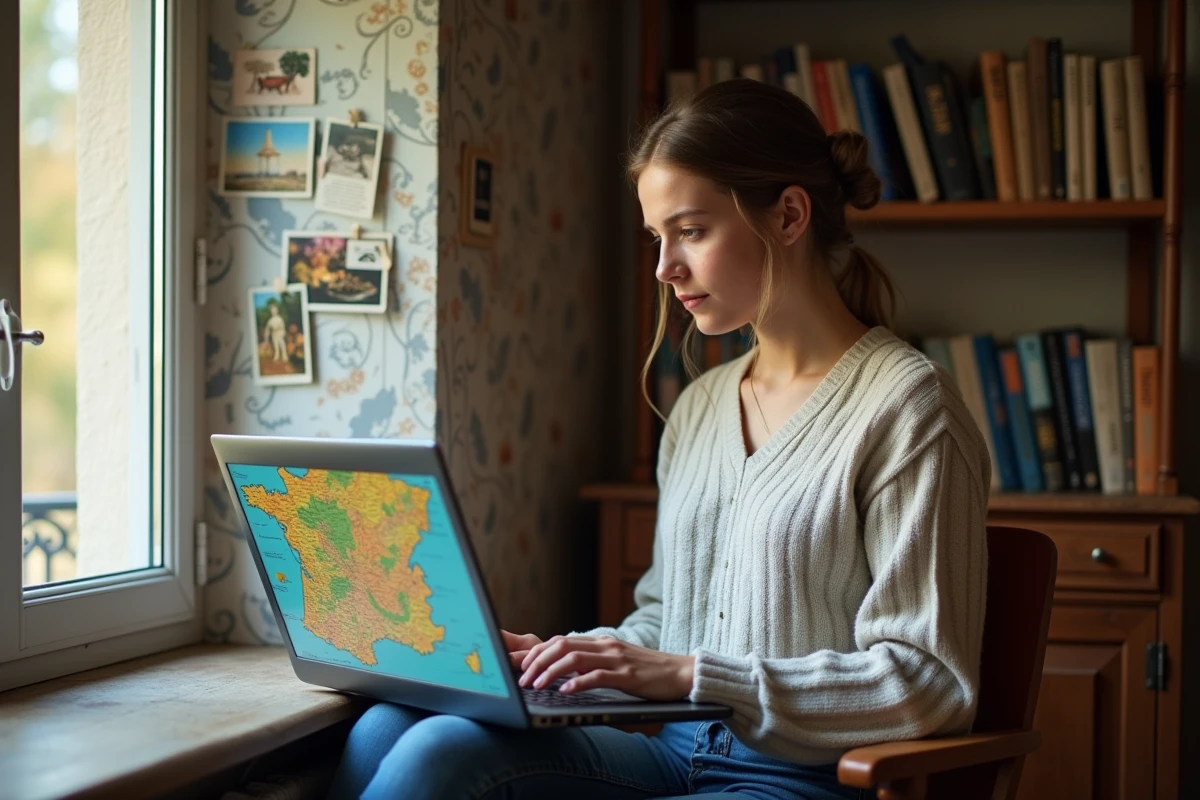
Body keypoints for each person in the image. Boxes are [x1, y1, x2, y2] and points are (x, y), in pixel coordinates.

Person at [326, 78, 990, 800]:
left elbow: (927, 682)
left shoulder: (907, 406)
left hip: (798, 782)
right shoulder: (703, 404)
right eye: (656, 237)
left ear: (791, 215)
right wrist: (574, 659)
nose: (664, 268)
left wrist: (691, 675)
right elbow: (667, 620)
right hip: (674, 756)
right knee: (388, 727)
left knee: (434, 762)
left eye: (692, 231)